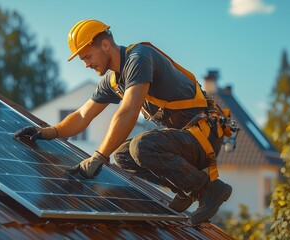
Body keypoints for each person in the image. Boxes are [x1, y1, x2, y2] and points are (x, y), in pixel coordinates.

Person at [14, 19, 233, 225]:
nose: (86, 65)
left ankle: (208, 190)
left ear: (105, 45)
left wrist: (99, 156)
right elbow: (82, 116)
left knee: (142, 147)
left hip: (204, 135)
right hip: (183, 140)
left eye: (87, 57)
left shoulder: (139, 58)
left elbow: (128, 110)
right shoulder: (111, 81)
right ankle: (186, 189)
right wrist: (48, 132)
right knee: (122, 155)